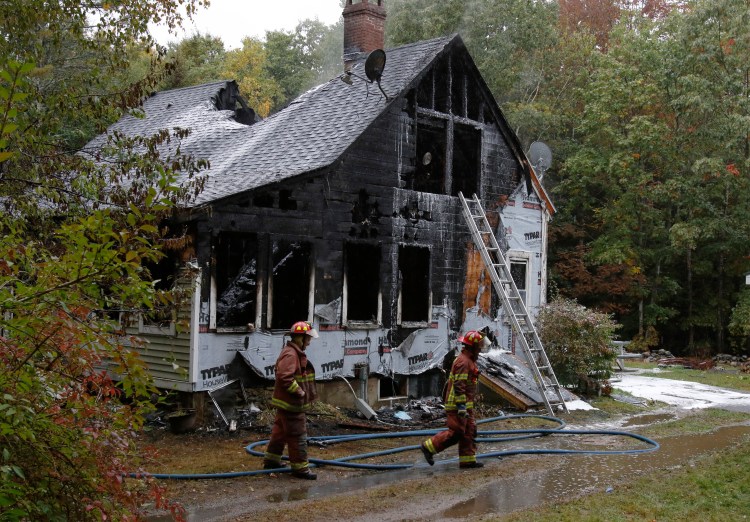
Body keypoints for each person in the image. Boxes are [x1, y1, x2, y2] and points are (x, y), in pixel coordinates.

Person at [420, 330, 490, 469]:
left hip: (465, 404)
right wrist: (462, 407)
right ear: (472, 346)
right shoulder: (463, 362)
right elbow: (459, 385)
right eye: (480, 345)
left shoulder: (469, 360)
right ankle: (429, 447)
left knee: (469, 431)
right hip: (457, 405)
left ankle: (468, 461)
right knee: (457, 432)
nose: (481, 348)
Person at [263, 320, 319, 479]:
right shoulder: (291, 354)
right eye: (307, 339)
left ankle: (271, 461)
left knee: (280, 433)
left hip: (286, 404)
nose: (309, 342)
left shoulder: (292, 352)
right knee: (297, 435)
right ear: (300, 338)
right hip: (292, 405)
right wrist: (300, 392)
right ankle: (301, 469)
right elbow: (284, 377)